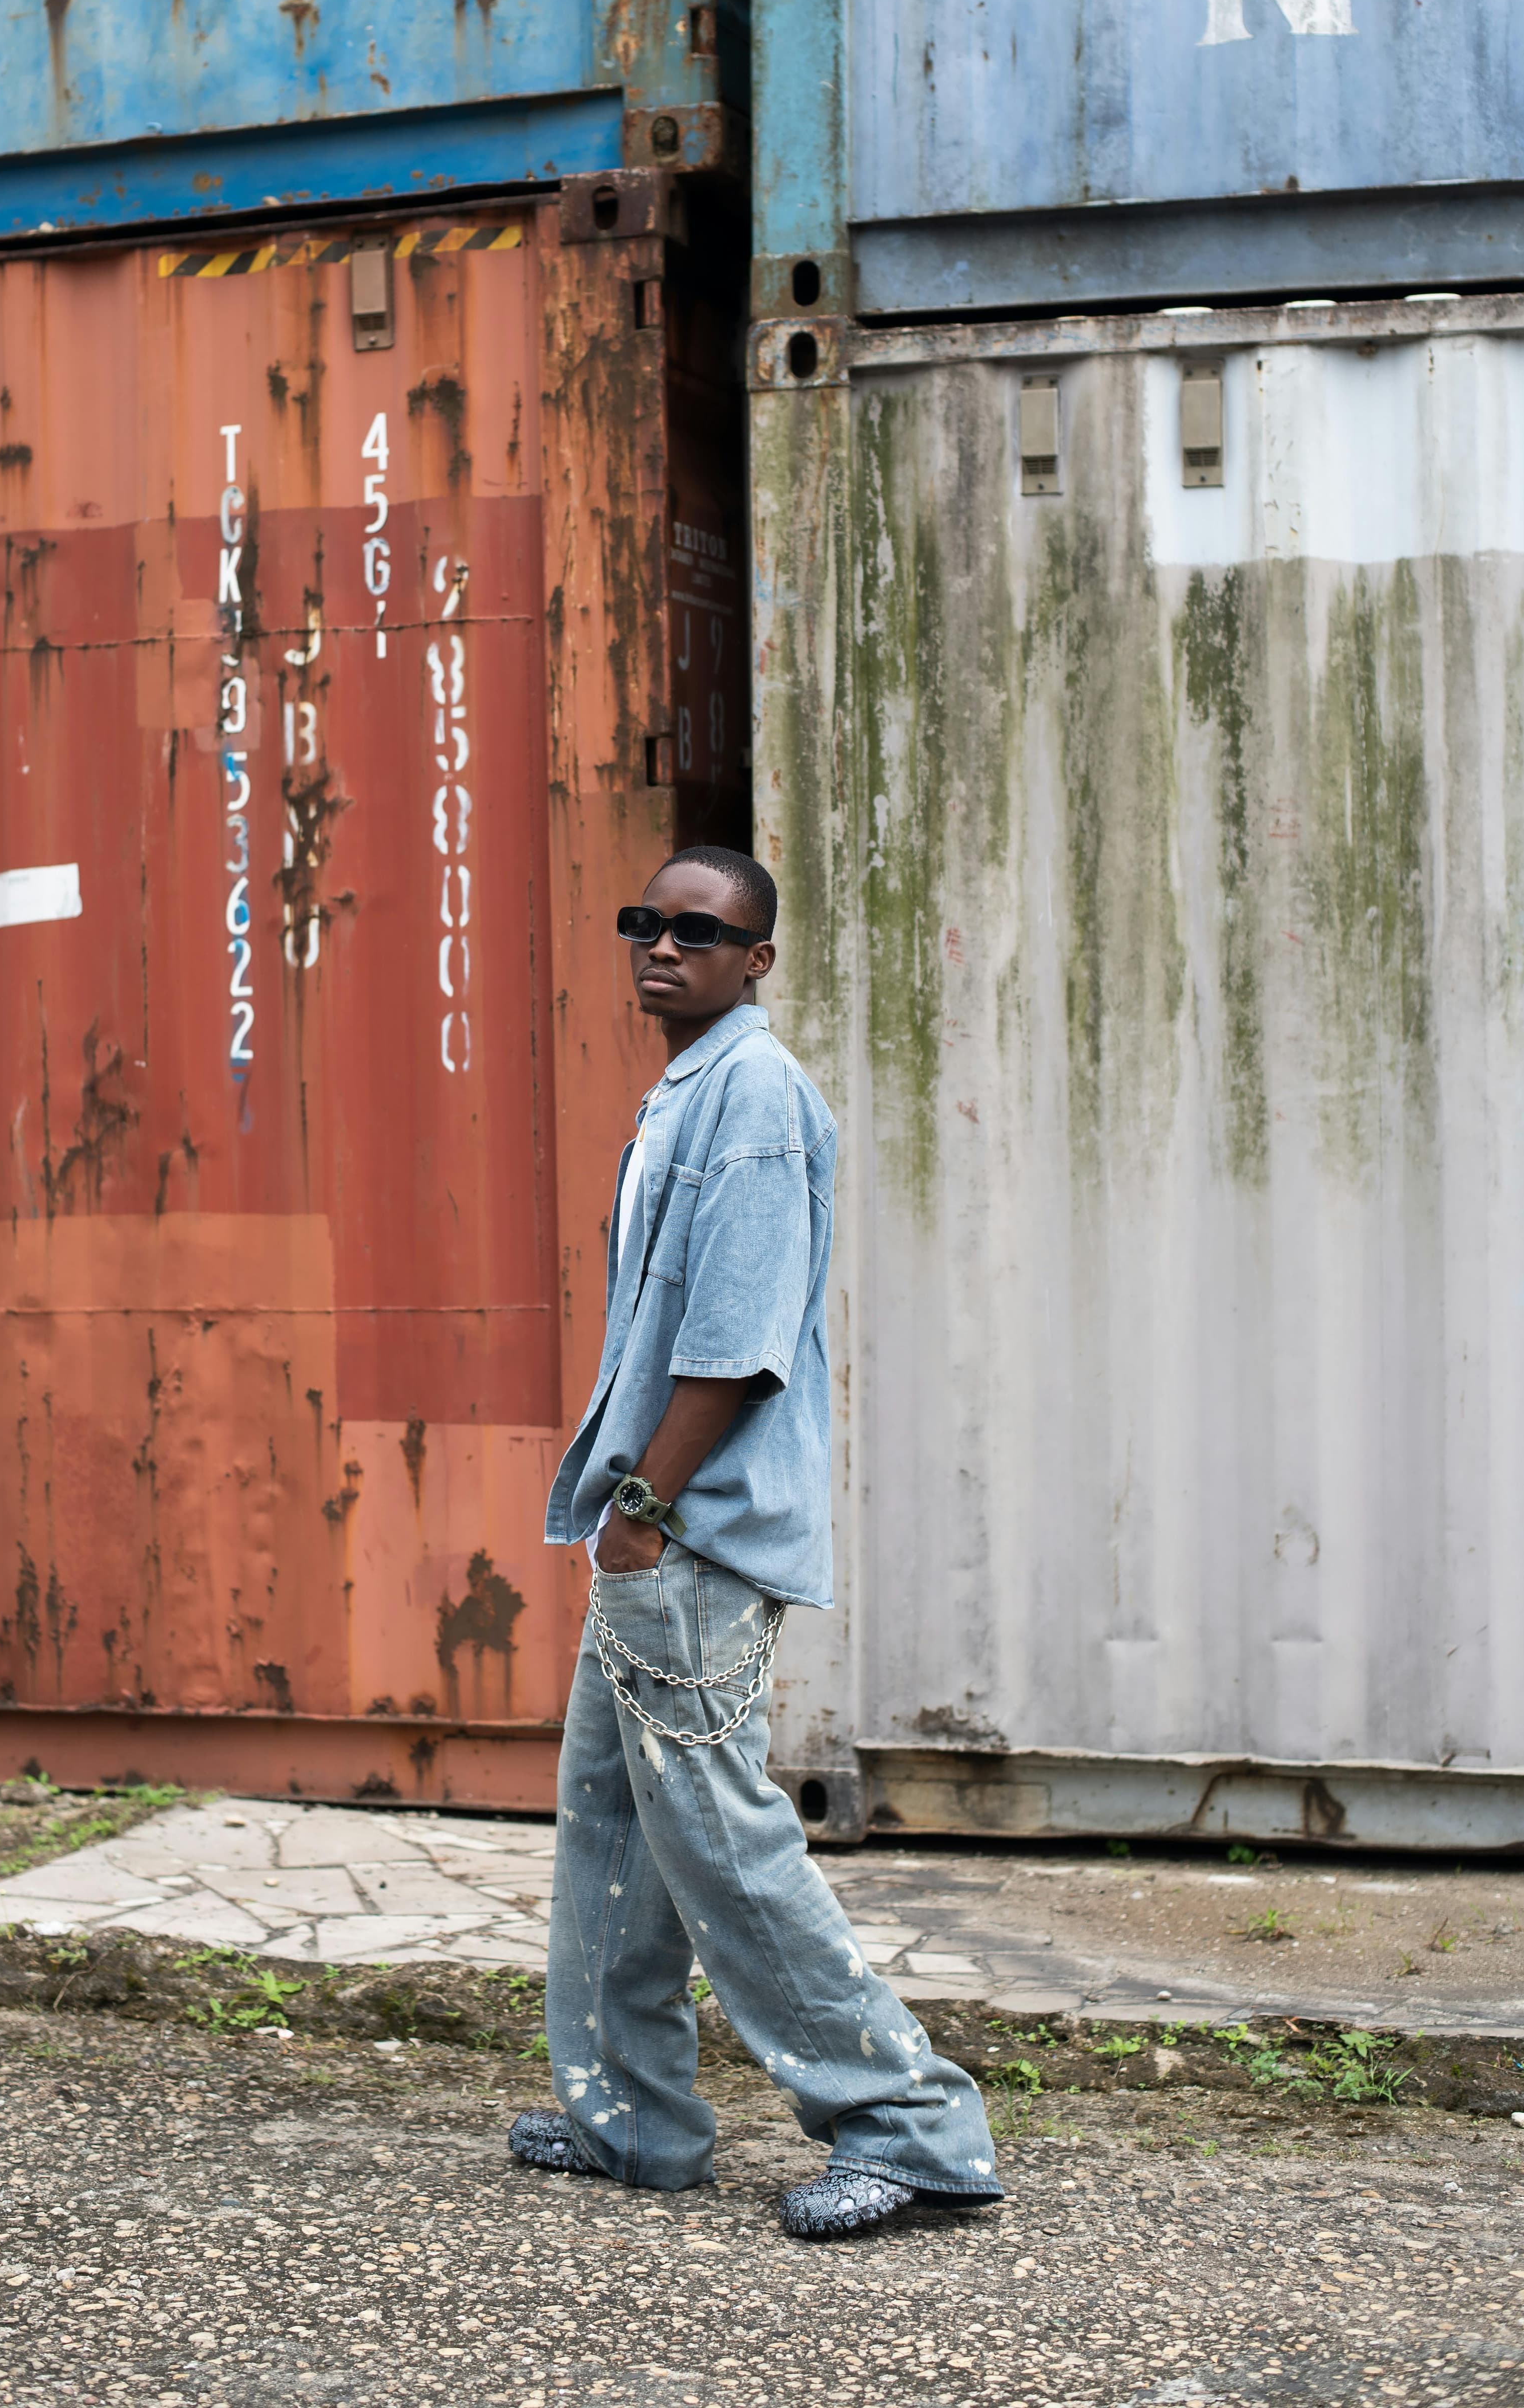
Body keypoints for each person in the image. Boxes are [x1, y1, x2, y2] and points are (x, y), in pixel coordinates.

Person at [508, 845, 1003, 2240]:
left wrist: (647, 1517)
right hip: (649, 1533)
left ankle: (912, 2132)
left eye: (700, 930)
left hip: (690, 1537)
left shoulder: (758, 1103)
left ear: (757, 960)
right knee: (617, 1829)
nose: (664, 946)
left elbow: (736, 1352)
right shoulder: (692, 1090)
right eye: (647, 924)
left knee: (724, 1840)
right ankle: (634, 2124)